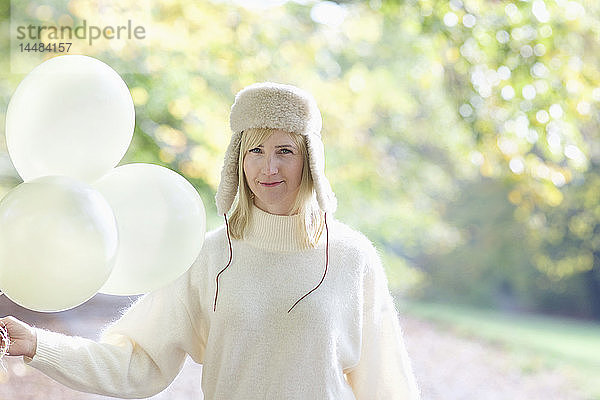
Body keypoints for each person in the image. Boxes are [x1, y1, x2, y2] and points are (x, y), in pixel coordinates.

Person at [0, 82, 420, 399]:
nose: (268, 167)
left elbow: (387, 384)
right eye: (254, 150)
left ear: (309, 159)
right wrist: (38, 344)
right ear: (237, 159)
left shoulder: (351, 257)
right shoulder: (210, 255)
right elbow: (137, 360)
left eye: (284, 151)